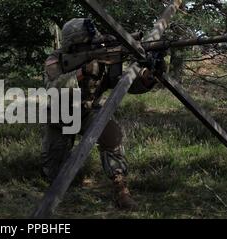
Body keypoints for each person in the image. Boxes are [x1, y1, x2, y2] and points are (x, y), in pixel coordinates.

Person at [41, 18, 158, 210]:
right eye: (87, 43)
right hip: (61, 114)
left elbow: (124, 84)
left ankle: (120, 189)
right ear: (73, 43)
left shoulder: (106, 54)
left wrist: (146, 79)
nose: (93, 45)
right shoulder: (56, 58)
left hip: (88, 111)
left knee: (112, 135)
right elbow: (52, 88)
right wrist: (82, 72)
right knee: (53, 170)